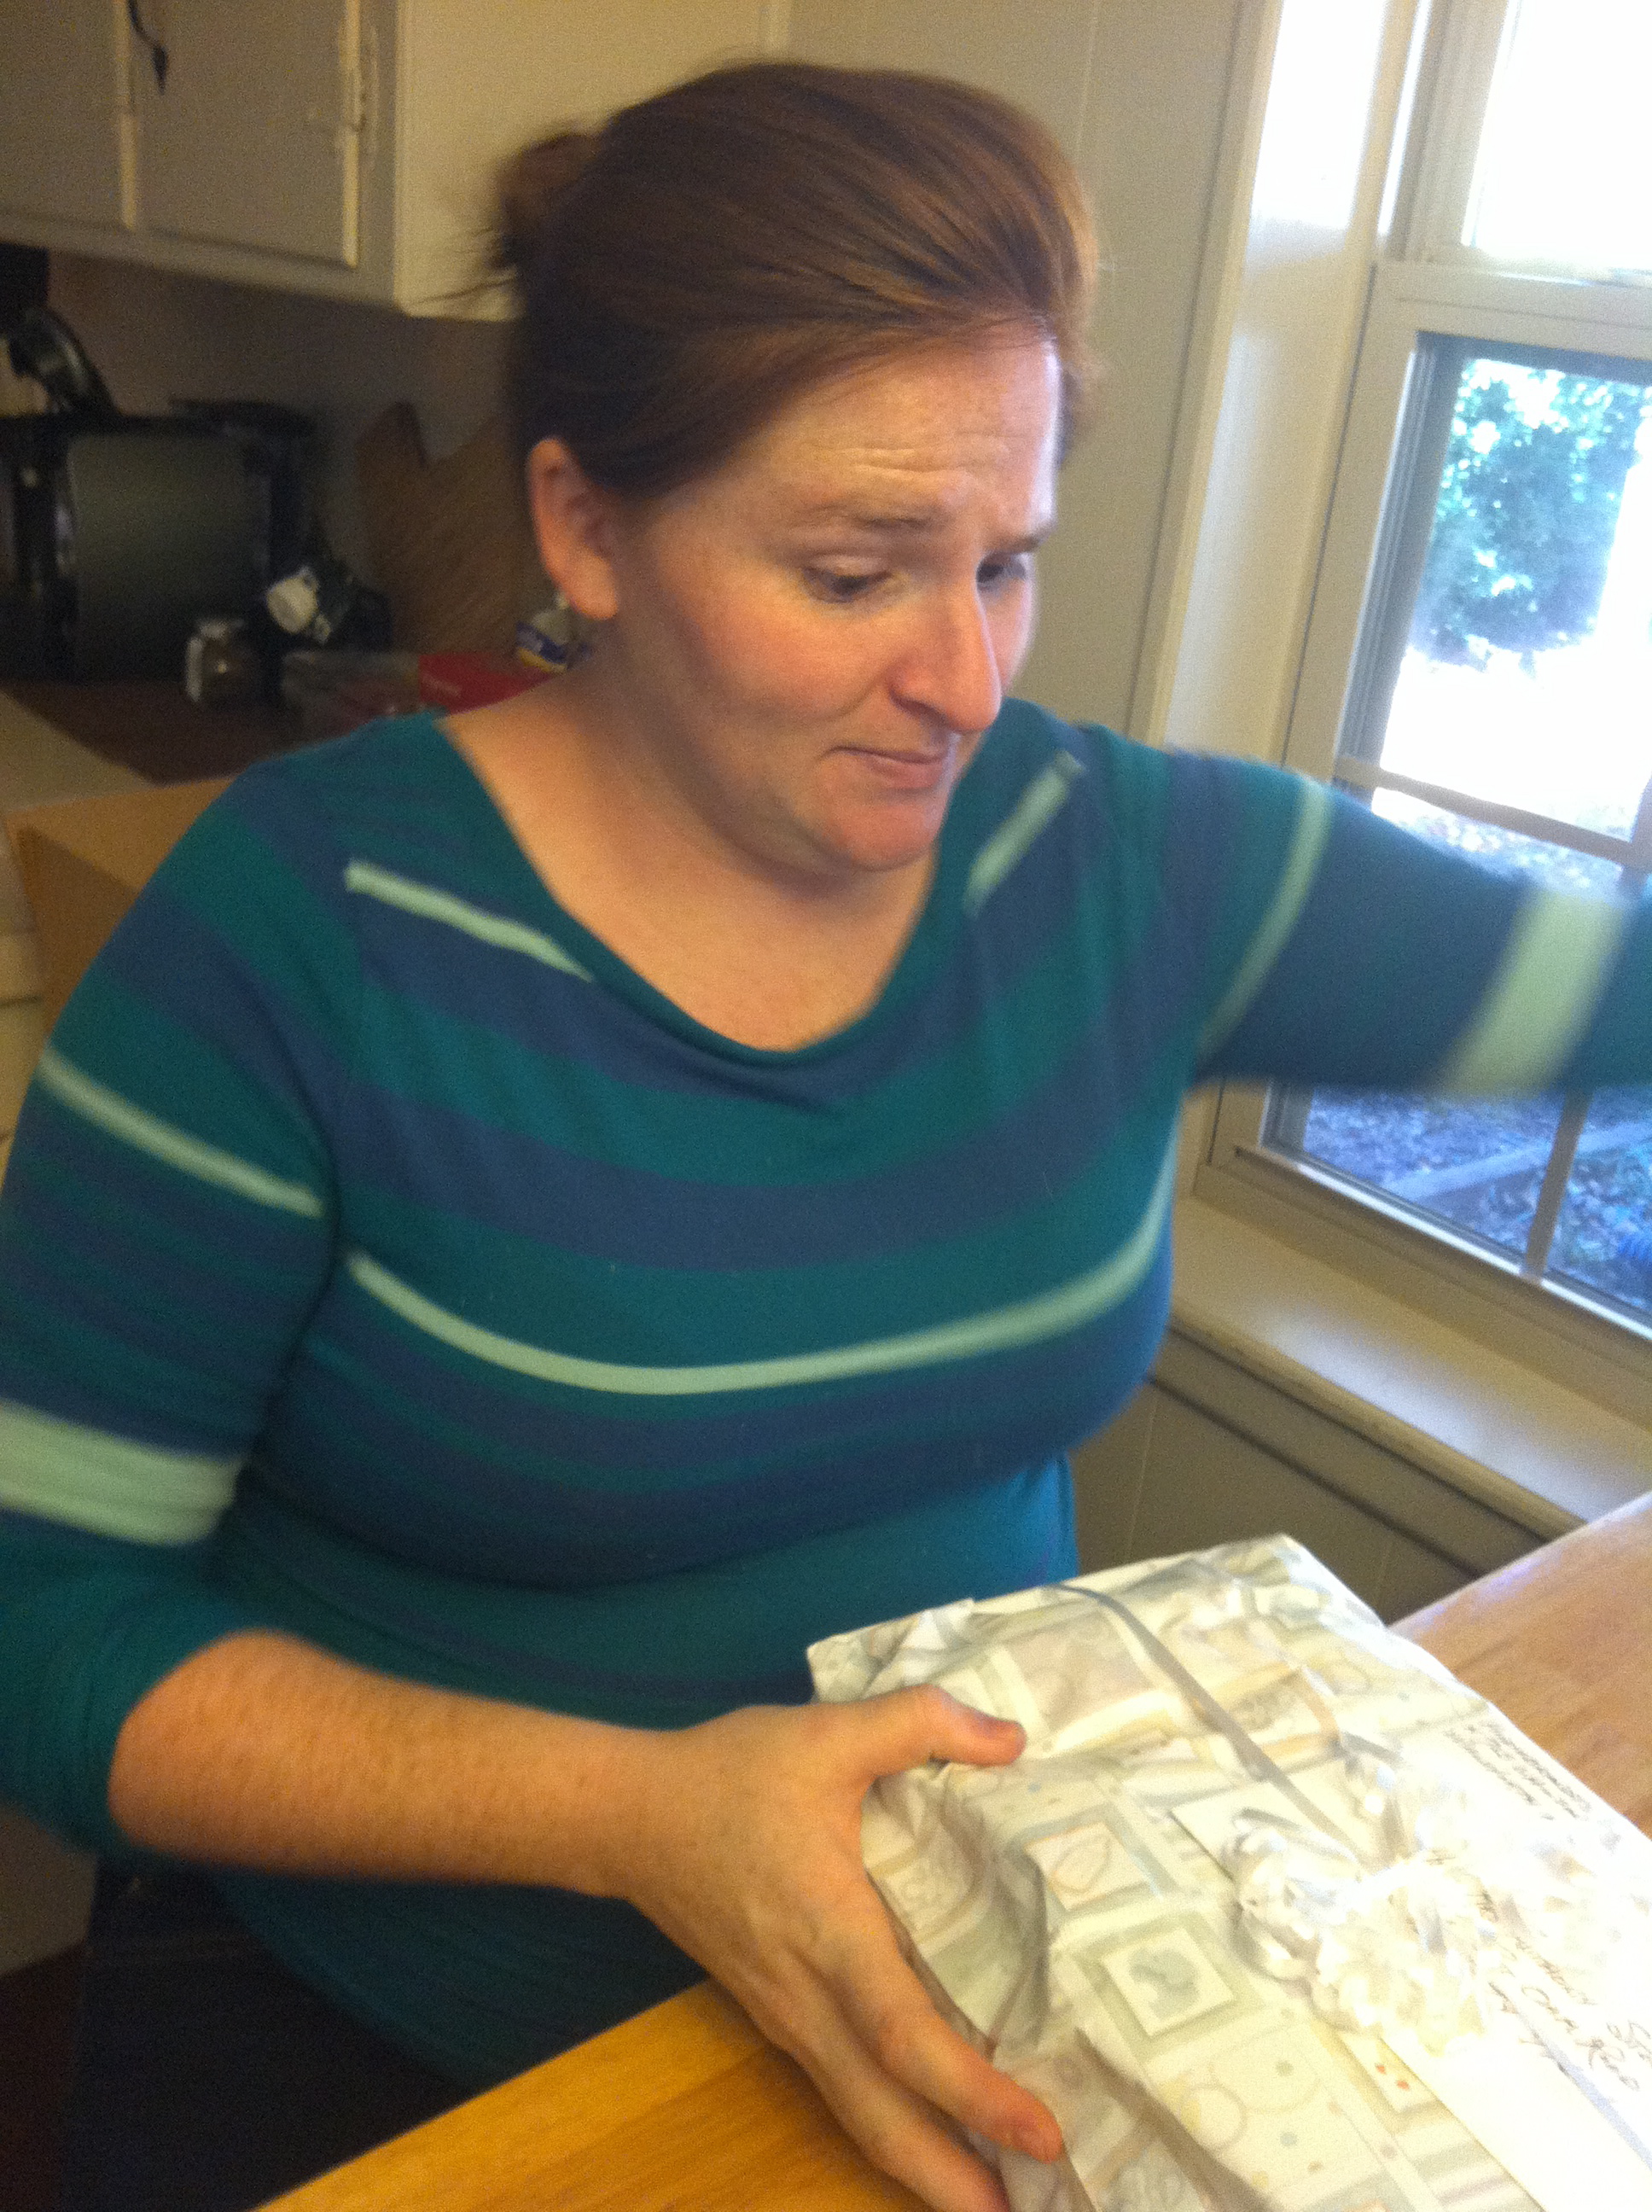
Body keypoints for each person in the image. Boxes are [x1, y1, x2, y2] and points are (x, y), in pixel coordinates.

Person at [0, 57, 1647, 2212]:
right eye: (856, 572)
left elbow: (1590, 988)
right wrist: (633, 1814)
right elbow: (44, 1626)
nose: (965, 680)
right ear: (586, 528)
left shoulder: (1115, 870)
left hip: (975, 2040)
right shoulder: (304, 941)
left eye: (1006, 562)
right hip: (415, 2066)